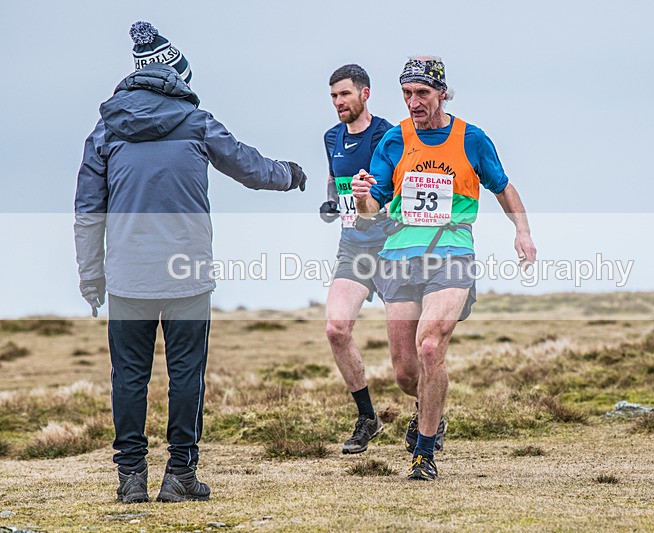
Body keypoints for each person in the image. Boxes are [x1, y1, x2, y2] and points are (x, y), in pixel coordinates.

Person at [74, 21, 307, 503]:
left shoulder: (105, 130)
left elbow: (87, 212)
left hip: (127, 277)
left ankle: (130, 478)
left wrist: (91, 276)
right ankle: (180, 474)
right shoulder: (197, 122)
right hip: (188, 274)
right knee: (185, 375)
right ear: (175, 74)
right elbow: (249, 167)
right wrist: (290, 175)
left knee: (129, 377)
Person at [353, 56, 537, 480]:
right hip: (399, 255)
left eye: (422, 93)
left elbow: (502, 187)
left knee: (431, 346)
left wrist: (522, 231)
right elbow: (371, 210)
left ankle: (424, 451)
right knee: (404, 370)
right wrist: (363, 195)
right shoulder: (394, 141)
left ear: (441, 93)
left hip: (452, 253)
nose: (413, 102)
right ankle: (427, 406)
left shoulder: (471, 138)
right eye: (406, 94)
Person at [319, 65, 393, 454]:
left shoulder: (387, 134)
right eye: (333, 96)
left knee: (414, 344)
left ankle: (427, 415)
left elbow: (399, 184)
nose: (338, 103)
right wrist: (332, 203)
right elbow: (336, 179)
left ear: (365, 93)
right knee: (336, 329)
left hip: (395, 246)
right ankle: (367, 418)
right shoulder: (331, 137)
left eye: (344, 94)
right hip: (354, 247)